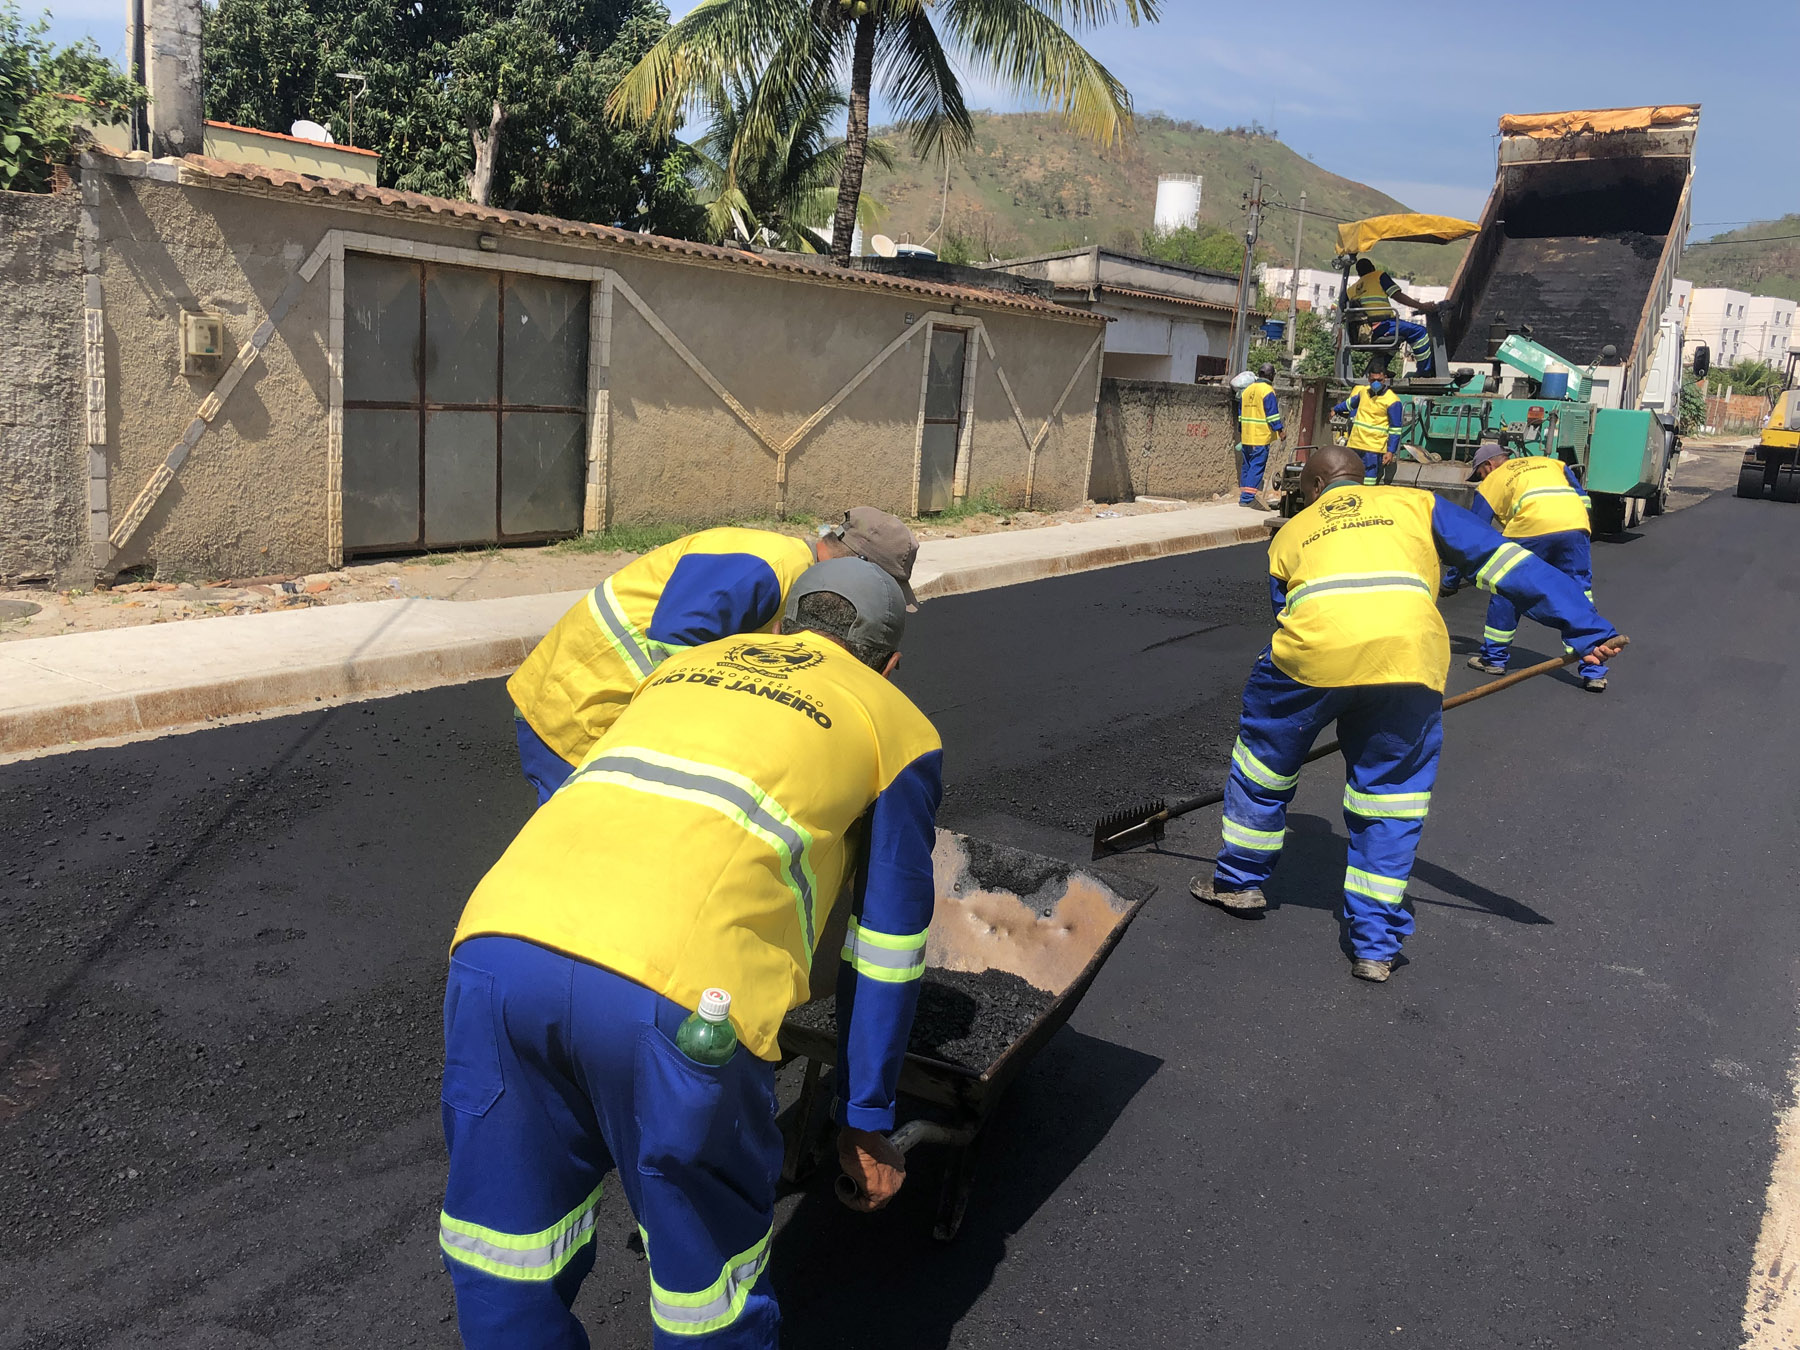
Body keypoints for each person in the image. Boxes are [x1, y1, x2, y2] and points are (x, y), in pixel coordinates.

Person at [439, 557, 943, 1348]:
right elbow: (886, 941)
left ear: (783, 625)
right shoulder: (897, 725)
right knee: (705, 1287)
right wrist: (863, 1114)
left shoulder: (682, 667)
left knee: (506, 1246)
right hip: (678, 996)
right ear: (890, 664)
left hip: (499, 947)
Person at [1190, 445, 1624, 983]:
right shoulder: (1416, 504)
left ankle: (1238, 883)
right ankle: (1375, 947)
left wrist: (1331, 696)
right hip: (1408, 661)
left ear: (1315, 488)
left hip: (1312, 662)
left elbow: (1284, 612)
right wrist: (1587, 629)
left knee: (1262, 769)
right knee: (1391, 799)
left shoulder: (1292, 532)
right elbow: (1506, 562)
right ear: (1364, 478)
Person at [508, 508, 920, 803]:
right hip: (579, 708)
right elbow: (675, 640)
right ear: (861, 566)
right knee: (581, 848)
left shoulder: (795, 578)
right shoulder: (767, 565)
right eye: (882, 585)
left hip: (601, 705)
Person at [1464, 442, 1607, 690]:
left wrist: (1451, 579)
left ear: (1489, 465)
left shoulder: (1493, 480)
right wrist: (1574, 527)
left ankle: (1494, 658)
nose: (1482, 479)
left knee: (1507, 588)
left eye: (1480, 473)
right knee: (1578, 593)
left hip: (1529, 529)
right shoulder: (1552, 463)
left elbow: (1472, 533)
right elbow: (1583, 499)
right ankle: (1593, 669)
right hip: (1574, 527)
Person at [1346, 256, 1438, 376]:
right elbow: (1397, 295)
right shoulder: (1378, 276)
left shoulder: (1351, 289)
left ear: (1359, 273)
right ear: (1373, 268)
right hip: (1381, 325)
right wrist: (1421, 306)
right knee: (1420, 332)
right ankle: (1424, 372)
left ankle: (1380, 368)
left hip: (1361, 333)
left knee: (1398, 336)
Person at [1333, 355, 1405, 485]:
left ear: (1385, 378)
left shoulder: (1393, 401)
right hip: (1355, 444)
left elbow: (1395, 429)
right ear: (1368, 379)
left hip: (1373, 448)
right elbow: (1349, 404)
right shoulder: (1363, 393)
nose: (1376, 383)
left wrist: (1390, 451)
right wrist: (1335, 409)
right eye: (1373, 380)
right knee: (1351, 476)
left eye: (1379, 380)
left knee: (1369, 480)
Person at [1237, 361, 1286, 511]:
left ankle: (1243, 496)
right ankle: (1248, 499)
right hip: (1260, 436)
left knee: (1247, 466)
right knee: (1256, 467)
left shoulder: (1247, 390)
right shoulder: (1267, 391)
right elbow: (1272, 415)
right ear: (1271, 375)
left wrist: (1242, 430)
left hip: (1247, 436)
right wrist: (1280, 431)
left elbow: (1240, 416)